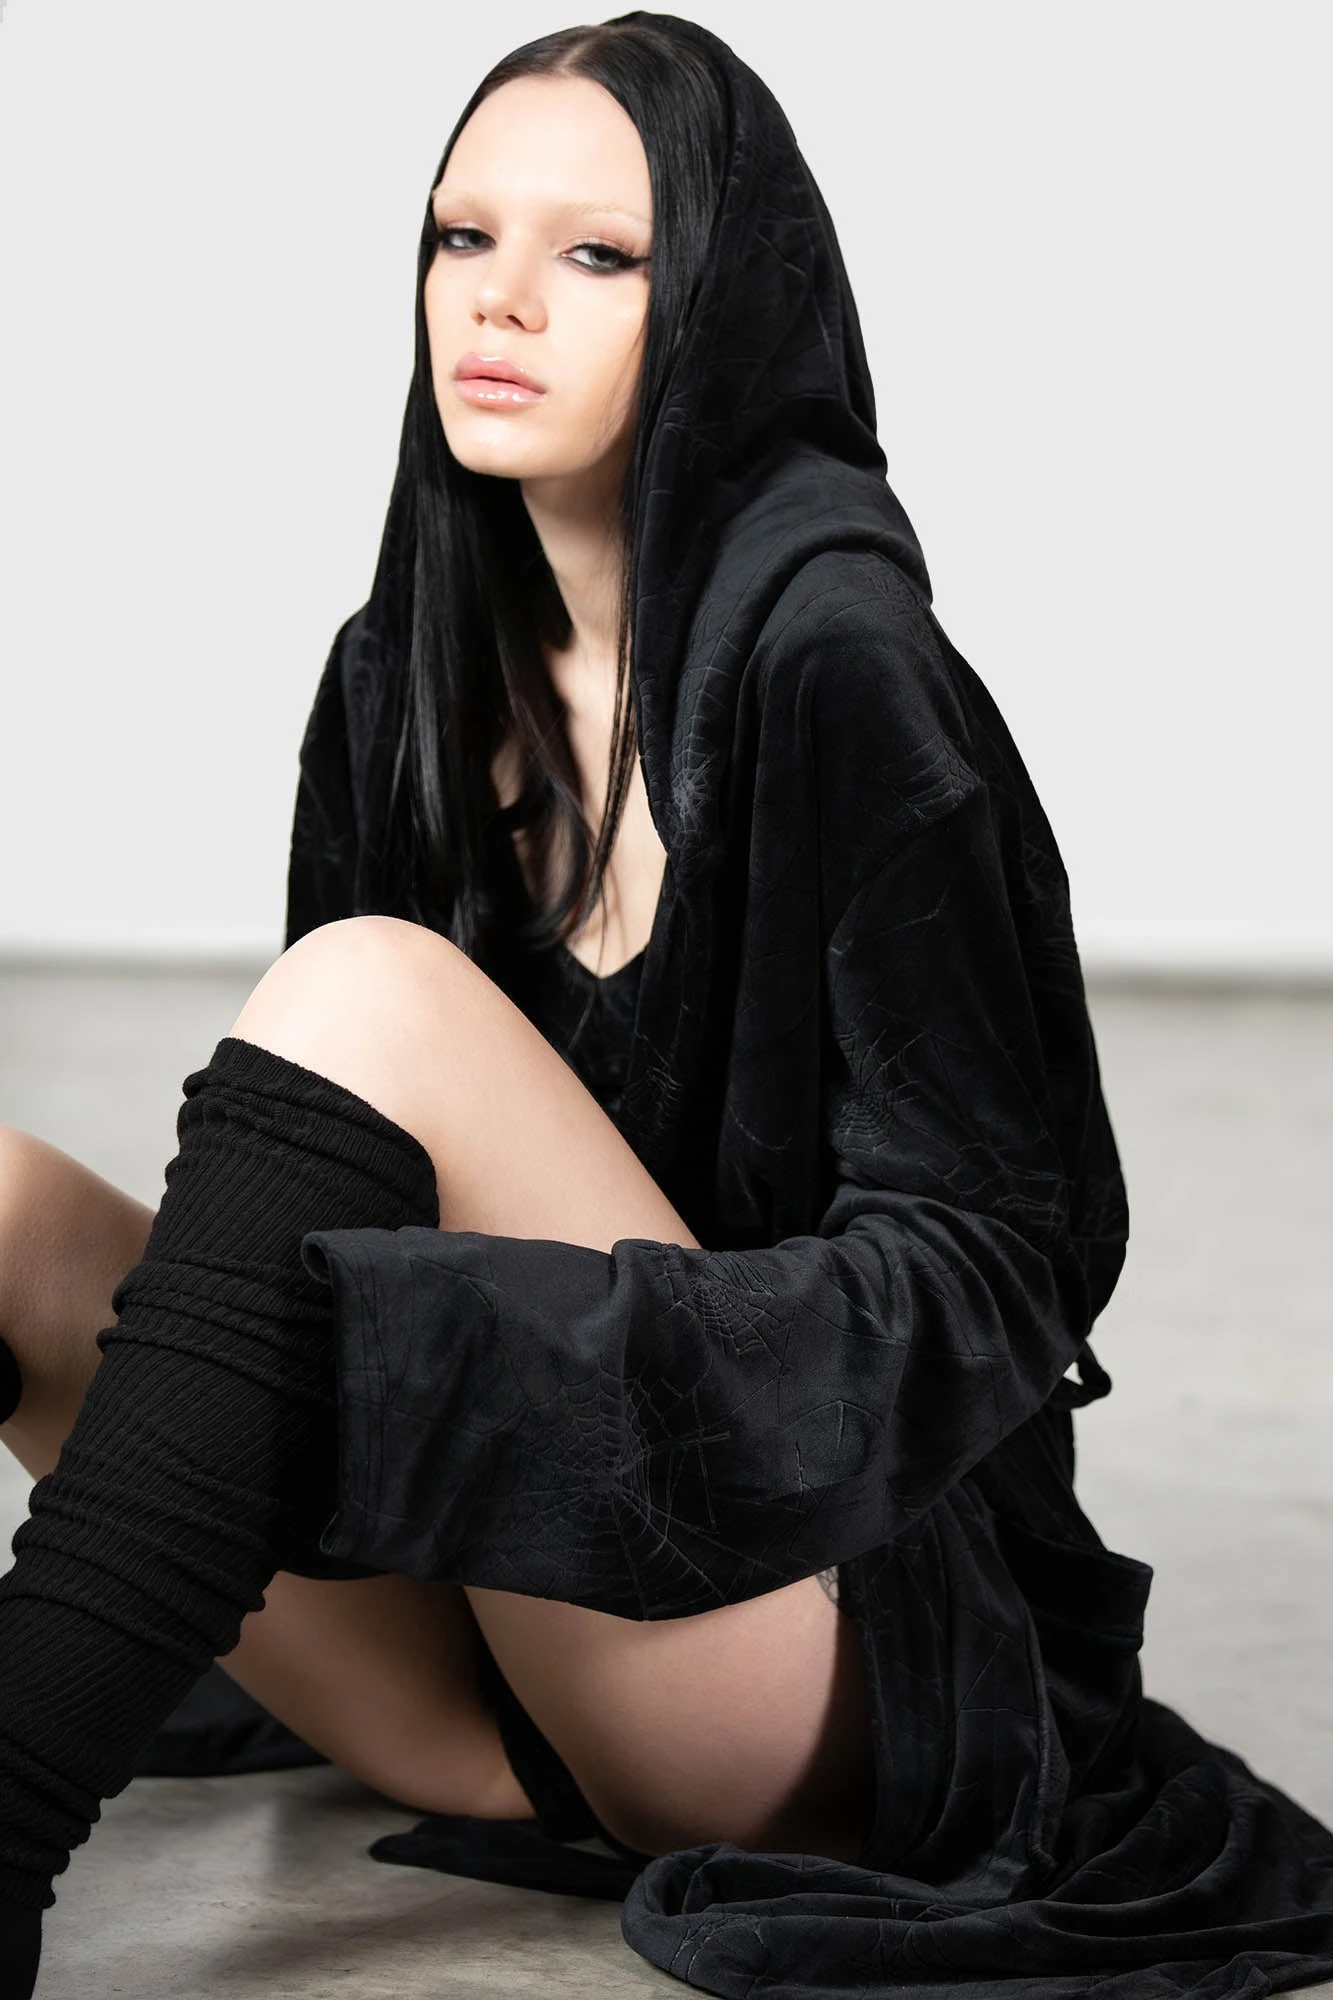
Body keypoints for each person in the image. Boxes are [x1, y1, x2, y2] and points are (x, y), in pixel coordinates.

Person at [1, 13, 1332, 1999]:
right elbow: (311, 1231)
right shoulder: (399, 676)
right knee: (4, 1206)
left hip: (821, 1668)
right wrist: (439, 1375)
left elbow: (1001, 1266)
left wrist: (512, 1352)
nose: (499, 301)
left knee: (375, 989)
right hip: (503, 1670)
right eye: (462, 237)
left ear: (715, 301)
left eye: (599, 255)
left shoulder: (844, 670)